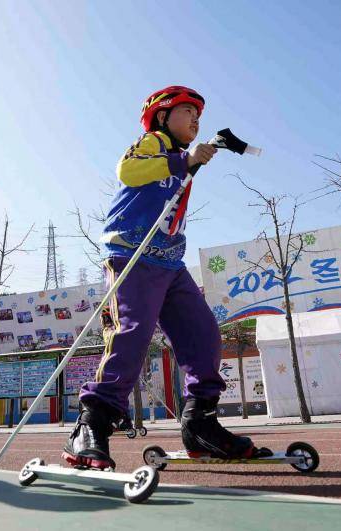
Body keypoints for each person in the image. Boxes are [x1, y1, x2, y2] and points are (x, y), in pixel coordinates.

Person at [63, 86, 267, 470]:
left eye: (199, 115)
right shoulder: (152, 142)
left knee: (204, 334)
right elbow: (127, 171)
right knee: (133, 334)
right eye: (188, 111)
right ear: (161, 116)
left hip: (171, 262)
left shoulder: (180, 156)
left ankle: (200, 425)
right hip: (133, 255)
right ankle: (91, 425)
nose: (195, 119)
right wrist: (183, 160)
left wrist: (191, 158)